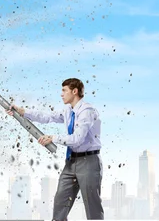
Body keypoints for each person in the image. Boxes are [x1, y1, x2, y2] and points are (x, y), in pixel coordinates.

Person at [7, 78, 103, 220]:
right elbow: (47, 116)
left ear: (74, 91)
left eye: (64, 90)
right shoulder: (68, 110)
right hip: (71, 162)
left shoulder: (86, 111)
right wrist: (23, 112)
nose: (61, 94)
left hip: (89, 161)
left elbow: (77, 139)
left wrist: (53, 138)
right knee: (60, 203)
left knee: (92, 208)